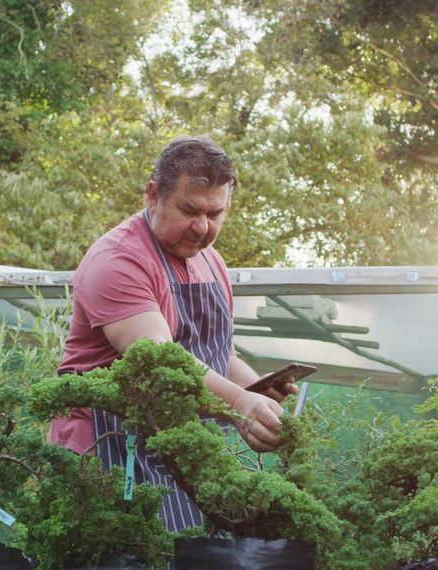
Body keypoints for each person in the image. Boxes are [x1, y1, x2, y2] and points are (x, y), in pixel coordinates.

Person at [47, 135, 298, 531]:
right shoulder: (118, 261)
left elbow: (216, 354)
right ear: (153, 195)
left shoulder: (211, 262)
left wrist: (257, 392)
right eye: (189, 210)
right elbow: (159, 362)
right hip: (109, 449)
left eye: (216, 214)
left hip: (181, 449)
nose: (202, 227)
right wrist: (238, 408)